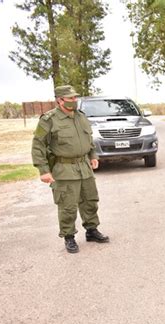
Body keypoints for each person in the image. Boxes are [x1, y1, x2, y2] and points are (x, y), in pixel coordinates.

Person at [31, 85, 109, 253]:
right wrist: (43, 170)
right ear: (60, 100)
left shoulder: (81, 117)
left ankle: (91, 230)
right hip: (64, 169)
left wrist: (93, 156)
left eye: (75, 98)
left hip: (84, 167)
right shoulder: (49, 119)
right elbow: (38, 146)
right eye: (71, 99)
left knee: (90, 200)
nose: (75, 101)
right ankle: (69, 237)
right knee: (68, 206)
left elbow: (89, 140)